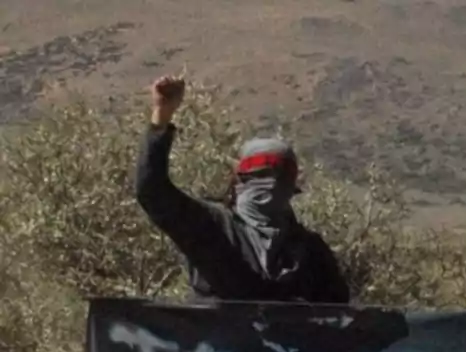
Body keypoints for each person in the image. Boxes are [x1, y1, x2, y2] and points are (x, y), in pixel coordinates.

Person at [135, 76, 350, 304]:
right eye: (260, 177)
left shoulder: (310, 252)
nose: (270, 187)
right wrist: (162, 115)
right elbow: (152, 191)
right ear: (240, 182)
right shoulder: (210, 227)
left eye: (279, 179)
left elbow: (338, 317)